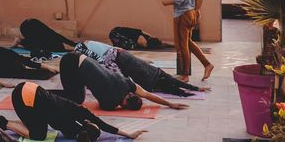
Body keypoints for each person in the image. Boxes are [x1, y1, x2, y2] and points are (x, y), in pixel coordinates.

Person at [1, 81, 147, 142]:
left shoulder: (79, 111)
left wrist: (128, 134)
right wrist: (128, 134)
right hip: (23, 97)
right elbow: (103, 126)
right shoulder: (69, 130)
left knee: (38, 123)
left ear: (88, 123)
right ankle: (5, 123)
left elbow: (102, 124)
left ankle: (10, 122)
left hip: (29, 87)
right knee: (39, 135)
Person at [58, 53, 190, 112]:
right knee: (75, 100)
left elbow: (148, 95)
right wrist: (169, 104)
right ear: (124, 105)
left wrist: (170, 104)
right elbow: (149, 95)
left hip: (81, 58)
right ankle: (41, 92)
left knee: (78, 96)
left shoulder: (129, 84)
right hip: (71, 64)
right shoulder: (109, 104)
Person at [77, 42, 206, 97]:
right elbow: (174, 83)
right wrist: (194, 89)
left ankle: (188, 91)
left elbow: (174, 83)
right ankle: (188, 91)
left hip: (121, 56)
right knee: (171, 86)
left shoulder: (154, 78)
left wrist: (194, 89)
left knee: (112, 75)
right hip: (121, 56)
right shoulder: (154, 79)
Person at [161, 0, 213, 83]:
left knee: (181, 45)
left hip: (182, 15)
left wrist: (165, 1)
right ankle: (207, 64)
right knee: (188, 43)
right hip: (191, 14)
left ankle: (185, 75)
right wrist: (196, 10)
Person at [15, 18, 79, 55]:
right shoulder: (46, 32)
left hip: (54, 48)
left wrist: (74, 45)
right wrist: (74, 44)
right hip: (57, 47)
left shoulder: (29, 42)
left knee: (26, 42)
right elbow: (58, 36)